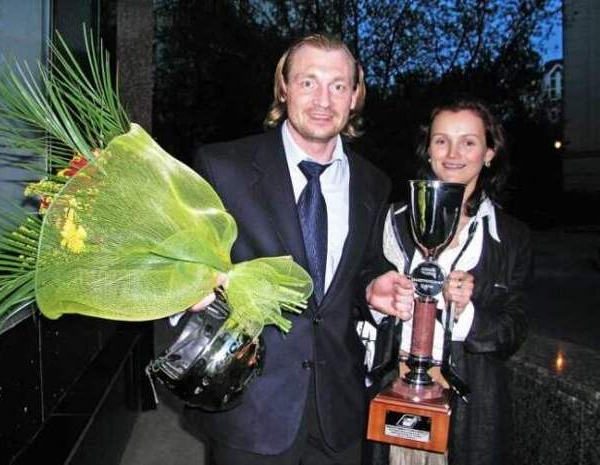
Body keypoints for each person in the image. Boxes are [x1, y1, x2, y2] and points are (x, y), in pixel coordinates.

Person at [185, 34, 405, 465]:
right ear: (283, 88)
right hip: (250, 407)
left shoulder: (373, 183)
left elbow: (360, 268)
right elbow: (183, 263)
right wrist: (188, 290)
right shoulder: (222, 167)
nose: (323, 99)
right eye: (308, 82)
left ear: (355, 96)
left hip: (338, 410)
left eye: (338, 85)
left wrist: (371, 287)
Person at [366, 95, 532, 465]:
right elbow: (352, 291)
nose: (453, 153)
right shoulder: (390, 220)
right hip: (392, 389)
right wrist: (374, 297)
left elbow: (514, 328)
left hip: (469, 406)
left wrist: (467, 313)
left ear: (489, 153)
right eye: (441, 140)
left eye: (468, 142)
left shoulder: (512, 238)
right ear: (428, 150)